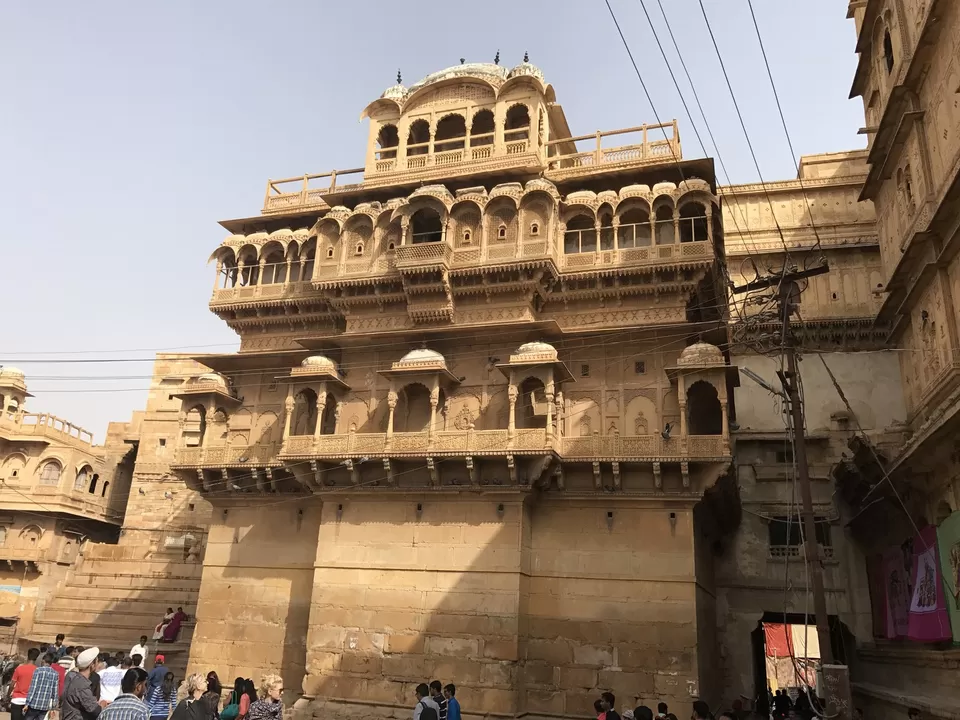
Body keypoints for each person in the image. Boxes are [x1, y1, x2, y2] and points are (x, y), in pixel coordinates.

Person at [62, 647, 103, 720]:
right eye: (97, 661)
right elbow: (94, 710)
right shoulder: (82, 684)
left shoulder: (71, 676)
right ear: (92, 664)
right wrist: (102, 706)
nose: (98, 664)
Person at [23, 652, 59, 720]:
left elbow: (33, 687)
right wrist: (54, 707)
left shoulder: (38, 670)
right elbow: (55, 692)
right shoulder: (55, 674)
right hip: (45, 706)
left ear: (43, 660)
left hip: (34, 704)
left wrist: (27, 703)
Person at [11, 648, 40, 720]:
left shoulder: (19, 668)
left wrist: (9, 695)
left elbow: (12, 684)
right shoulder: (38, 671)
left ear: (28, 656)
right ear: (36, 657)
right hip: (30, 701)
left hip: (17, 699)